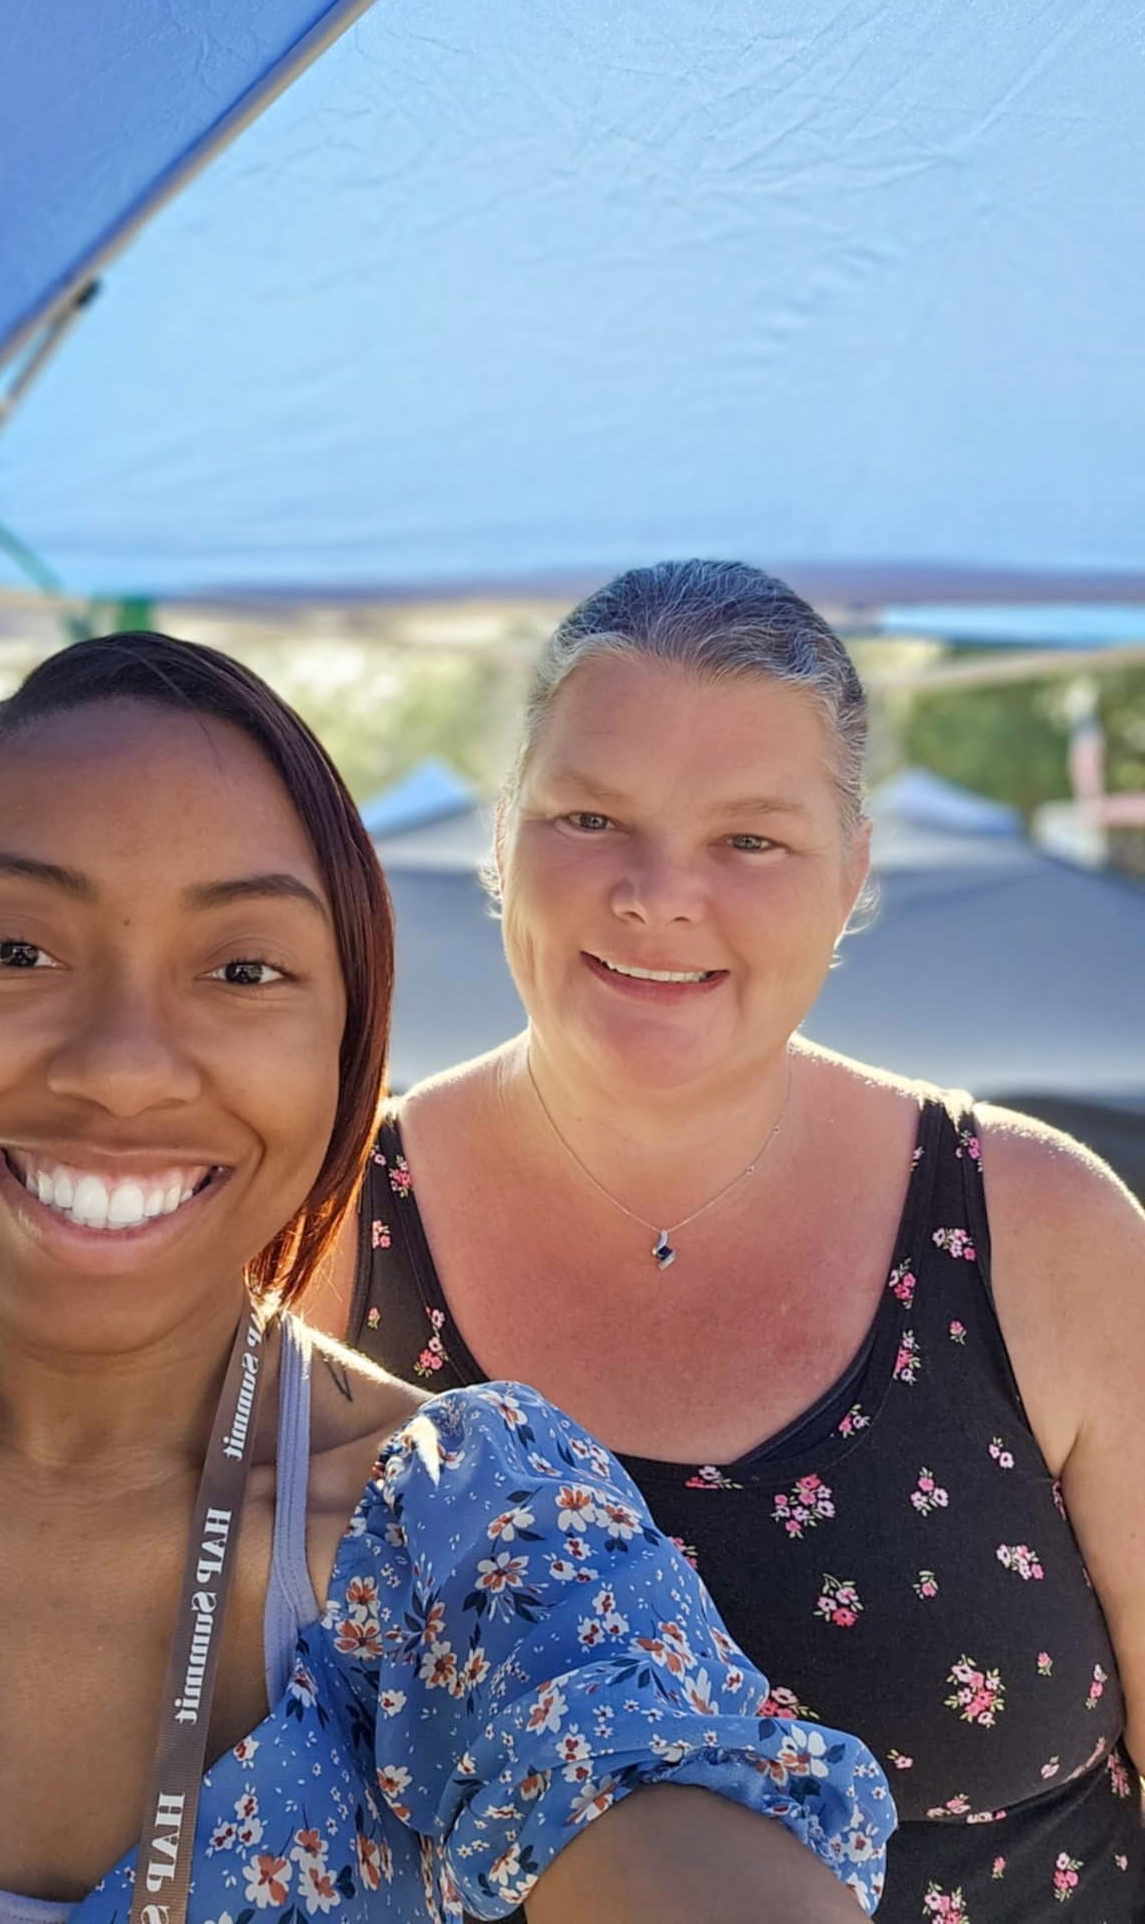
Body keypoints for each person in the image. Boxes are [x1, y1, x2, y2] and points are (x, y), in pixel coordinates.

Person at [0, 632, 891, 1924]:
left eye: (242, 971)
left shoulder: (467, 1533)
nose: (122, 1066)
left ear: (345, 1044)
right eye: (13, 950)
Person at [307, 561, 1145, 1923]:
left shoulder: (1042, 1230)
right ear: (504, 833)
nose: (657, 892)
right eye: (589, 818)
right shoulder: (324, 1232)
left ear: (853, 871)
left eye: (750, 840)